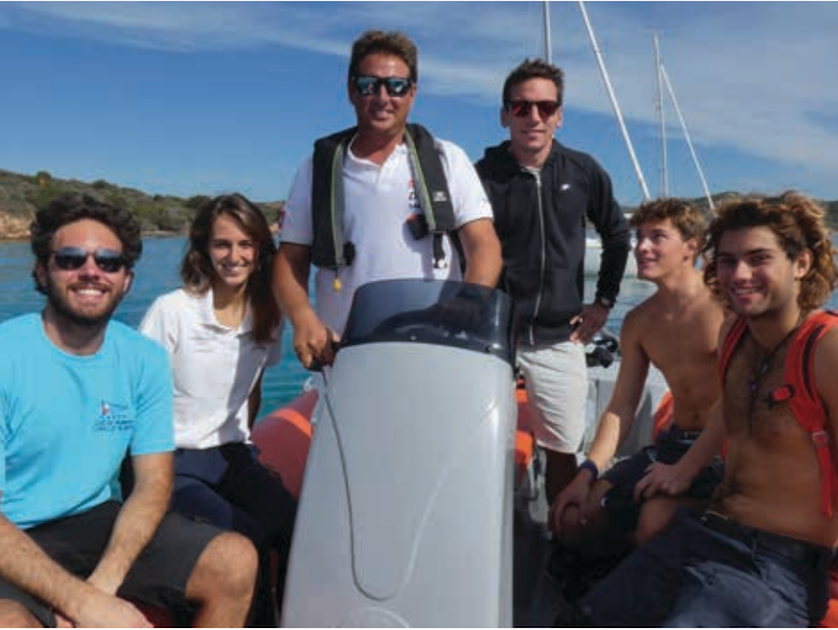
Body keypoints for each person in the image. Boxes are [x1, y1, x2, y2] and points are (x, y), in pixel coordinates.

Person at [573, 192, 838, 627]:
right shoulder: (736, 333)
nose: (739, 274)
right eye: (728, 261)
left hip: (777, 568)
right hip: (703, 534)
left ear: (801, 263)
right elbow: (733, 406)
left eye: (758, 258)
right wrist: (686, 467)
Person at [0, 193, 257, 627]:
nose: (91, 271)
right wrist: (82, 603)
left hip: (92, 521)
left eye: (108, 262)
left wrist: (104, 583)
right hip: (12, 529)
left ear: (126, 281)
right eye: (70, 259)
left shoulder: (144, 358)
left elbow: (153, 483)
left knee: (235, 560)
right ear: (43, 272)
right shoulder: (7, 355)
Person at [274, 29, 502, 369]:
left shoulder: (447, 159)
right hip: (345, 354)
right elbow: (290, 259)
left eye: (396, 86)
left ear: (412, 92)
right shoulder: (317, 168)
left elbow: (484, 245)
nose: (383, 97)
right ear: (352, 91)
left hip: (436, 347)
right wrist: (303, 317)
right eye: (369, 85)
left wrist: (470, 299)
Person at [475, 59, 632, 501]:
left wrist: (603, 302)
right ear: (505, 115)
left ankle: (559, 531)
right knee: (479, 442)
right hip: (494, 337)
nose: (534, 117)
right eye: (521, 107)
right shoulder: (480, 176)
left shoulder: (583, 171)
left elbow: (617, 236)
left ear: (559, 116)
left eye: (545, 107)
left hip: (559, 336)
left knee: (563, 450)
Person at [139, 193, 295, 625]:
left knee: (294, 525)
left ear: (260, 250)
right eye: (222, 244)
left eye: (246, 244)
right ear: (204, 249)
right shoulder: (173, 311)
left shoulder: (268, 314)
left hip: (231, 457)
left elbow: (253, 387)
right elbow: (135, 397)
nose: (234, 256)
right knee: (247, 539)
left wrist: (245, 445)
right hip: (172, 460)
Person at [548, 198, 726, 563]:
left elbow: (742, 396)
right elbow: (621, 407)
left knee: (655, 521)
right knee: (575, 516)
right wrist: (587, 473)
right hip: (674, 443)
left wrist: (685, 468)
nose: (641, 247)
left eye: (657, 237)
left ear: (691, 246)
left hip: (724, 448)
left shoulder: (728, 308)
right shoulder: (639, 322)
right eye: (639, 237)